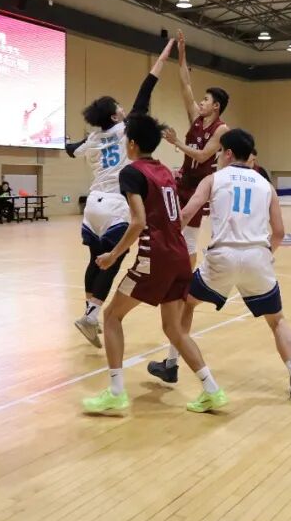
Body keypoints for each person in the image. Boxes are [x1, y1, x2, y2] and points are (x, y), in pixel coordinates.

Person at [81, 113, 226, 415]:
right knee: (174, 329)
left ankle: (116, 392)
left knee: (111, 317)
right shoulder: (164, 172)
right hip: (179, 256)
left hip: (154, 257)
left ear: (132, 144)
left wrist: (112, 255)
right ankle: (212, 390)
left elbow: (138, 222)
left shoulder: (131, 172)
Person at [156, 128, 291, 402]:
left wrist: (166, 240)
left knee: (187, 302)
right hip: (257, 258)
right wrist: (266, 255)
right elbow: (279, 233)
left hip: (222, 257)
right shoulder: (266, 186)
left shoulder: (213, 179)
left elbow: (186, 214)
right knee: (277, 320)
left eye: (218, 153)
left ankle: (172, 362)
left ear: (227, 153)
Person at [67, 38, 174, 345]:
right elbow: (146, 89)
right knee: (112, 260)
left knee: (94, 259)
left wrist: (68, 140)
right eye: (119, 107)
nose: (124, 109)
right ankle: (91, 316)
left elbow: (71, 150)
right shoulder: (127, 129)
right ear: (116, 117)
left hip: (93, 205)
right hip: (116, 204)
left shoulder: (92, 139)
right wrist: (164, 56)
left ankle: (88, 311)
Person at [162, 31, 229, 266]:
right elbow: (185, 84)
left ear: (216, 106)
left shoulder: (221, 129)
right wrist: (181, 54)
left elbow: (202, 156)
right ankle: (172, 271)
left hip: (200, 187)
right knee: (171, 230)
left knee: (189, 239)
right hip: (182, 181)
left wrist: (177, 143)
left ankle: (187, 279)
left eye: (206, 100)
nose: (201, 102)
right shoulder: (196, 118)